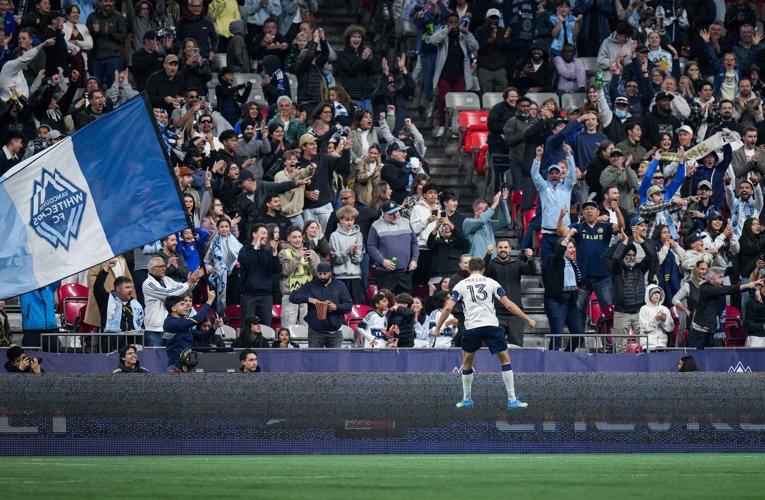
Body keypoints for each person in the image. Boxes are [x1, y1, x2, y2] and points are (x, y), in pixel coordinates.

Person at [432, 257, 535, 409]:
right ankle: (512, 400)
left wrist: (438, 327)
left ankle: (467, 399)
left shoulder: (461, 285)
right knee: (505, 361)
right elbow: (509, 305)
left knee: (467, 363)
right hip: (491, 326)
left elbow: (447, 308)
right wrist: (527, 318)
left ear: (468, 269)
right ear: (484, 269)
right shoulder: (492, 282)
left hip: (472, 327)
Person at [692, 268, 764, 349]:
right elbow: (728, 290)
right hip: (700, 330)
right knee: (698, 355)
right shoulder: (705, 288)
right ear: (711, 279)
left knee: (709, 356)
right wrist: (748, 285)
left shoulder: (719, 287)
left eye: (723, 277)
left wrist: (755, 287)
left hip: (711, 328)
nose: (723, 280)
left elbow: (733, 289)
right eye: (720, 277)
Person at [484, 239, 536, 347]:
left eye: (505, 247)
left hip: (515, 314)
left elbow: (532, 271)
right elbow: (483, 271)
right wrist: (488, 254)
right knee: (495, 346)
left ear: (510, 249)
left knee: (517, 346)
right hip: (496, 313)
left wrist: (530, 258)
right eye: (500, 247)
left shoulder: (516, 263)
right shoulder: (492, 264)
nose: (503, 250)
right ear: (496, 249)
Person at [531, 144, 577, 266]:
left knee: (565, 264)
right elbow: (535, 175)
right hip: (547, 234)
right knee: (546, 265)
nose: (555, 175)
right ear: (548, 176)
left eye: (557, 173)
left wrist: (568, 155)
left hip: (563, 234)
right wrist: (538, 157)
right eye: (552, 173)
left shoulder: (567, 187)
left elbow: (572, 173)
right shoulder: (543, 188)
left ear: (561, 175)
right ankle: (547, 285)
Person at [289, 262, 353, 347]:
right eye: (320, 274)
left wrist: (336, 307)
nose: (322, 276)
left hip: (335, 332)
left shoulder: (340, 286)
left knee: (335, 360)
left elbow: (348, 306)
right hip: (315, 332)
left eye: (325, 274)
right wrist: (308, 299)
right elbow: (293, 297)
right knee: (314, 359)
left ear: (330, 273)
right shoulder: (310, 286)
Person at [143, 256, 203, 347]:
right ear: (153, 269)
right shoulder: (148, 283)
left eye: (164, 265)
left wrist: (193, 281)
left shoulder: (166, 279)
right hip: (155, 330)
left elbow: (183, 290)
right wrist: (188, 283)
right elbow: (168, 294)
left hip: (168, 327)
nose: (165, 268)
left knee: (169, 357)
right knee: (155, 359)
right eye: (161, 266)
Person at [367, 201, 419, 294]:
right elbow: (371, 246)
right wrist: (383, 261)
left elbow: (414, 243)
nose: (395, 215)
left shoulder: (406, 222)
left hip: (405, 271)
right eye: (391, 214)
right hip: (385, 273)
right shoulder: (376, 225)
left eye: (397, 212)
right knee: (385, 302)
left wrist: (414, 260)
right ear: (384, 213)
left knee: (406, 301)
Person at [238, 224, 280, 328]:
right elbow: (246, 262)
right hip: (249, 295)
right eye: (263, 233)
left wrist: (275, 253)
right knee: (247, 327)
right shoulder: (245, 249)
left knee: (266, 327)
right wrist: (255, 246)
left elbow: (275, 270)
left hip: (266, 296)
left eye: (266, 234)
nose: (265, 236)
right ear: (254, 234)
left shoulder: (267, 252)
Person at [163, 291, 215, 370]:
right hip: (175, 367)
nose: (186, 306)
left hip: (188, 365)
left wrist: (214, 328)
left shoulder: (183, 323)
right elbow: (197, 319)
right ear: (173, 308)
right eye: (182, 304)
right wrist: (209, 301)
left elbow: (202, 337)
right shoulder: (170, 322)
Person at [329, 205, 364, 304]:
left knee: (357, 304)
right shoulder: (334, 236)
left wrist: (356, 252)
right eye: (347, 220)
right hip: (340, 276)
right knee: (340, 305)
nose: (350, 222)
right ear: (341, 220)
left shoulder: (358, 235)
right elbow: (335, 259)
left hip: (355, 276)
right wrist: (347, 251)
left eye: (352, 220)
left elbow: (358, 259)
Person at [463, 188, 511, 258]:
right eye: (485, 209)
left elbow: (506, 221)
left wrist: (502, 201)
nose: (488, 211)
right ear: (476, 211)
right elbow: (481, 221)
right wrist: (494, 204)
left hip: (491, 262)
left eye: (488, 209)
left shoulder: (489, 223)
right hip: (476, 262)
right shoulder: (467, 222)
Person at [638, 285, 675, 351]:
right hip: (648, 345)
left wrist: (664, 320)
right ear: (649, 295)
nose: (656, 295)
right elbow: (644, 328)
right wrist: (656, 319)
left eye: (658, 293)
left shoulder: (665, 309)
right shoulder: (644, 309)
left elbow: (670, 329)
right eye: (654, 293)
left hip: (662, 345)